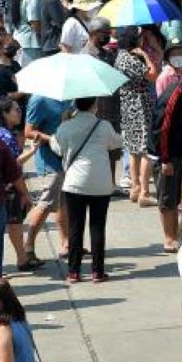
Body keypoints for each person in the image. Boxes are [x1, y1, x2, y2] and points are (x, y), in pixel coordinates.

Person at [51, 96, 120, 283]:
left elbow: (56, 147)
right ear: (94, 105)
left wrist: (63, 123)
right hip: (100, 182)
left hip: (74, 183)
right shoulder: (103, 125)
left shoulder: (66, 126)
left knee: (75, 227)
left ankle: (73, 271)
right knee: (97, 226)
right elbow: (115, 143)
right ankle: (98, 271)